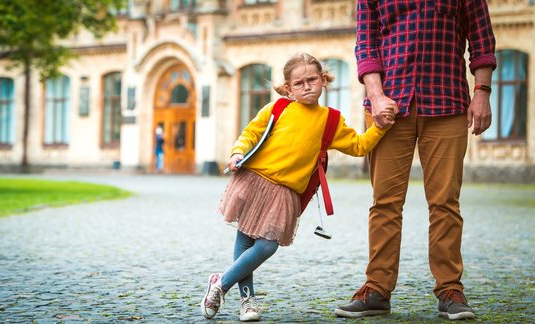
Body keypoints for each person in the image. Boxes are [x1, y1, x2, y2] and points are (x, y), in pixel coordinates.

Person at [200, 53, 394, 322]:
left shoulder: (331, 120)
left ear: (323, 80)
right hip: (254, 180)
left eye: (312, 80)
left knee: (267, 245)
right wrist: (236, 153)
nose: (307, 86)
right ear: (288, 88)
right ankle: (247, 301)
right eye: (299, 83)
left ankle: (220, 283)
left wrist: (379, 127)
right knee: (245, 241)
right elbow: (251, 133)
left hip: (285, 192)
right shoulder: (277, 108)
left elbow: (359, 146)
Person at [334, 0, 497, 321]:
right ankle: (377, 288)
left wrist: (482, 93)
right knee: (385, 203)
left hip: (447, 102)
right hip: (388, 108)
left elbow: (482, 40)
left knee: (445, 203)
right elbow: (366, 44)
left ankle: (450, 289)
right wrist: (377, 96)